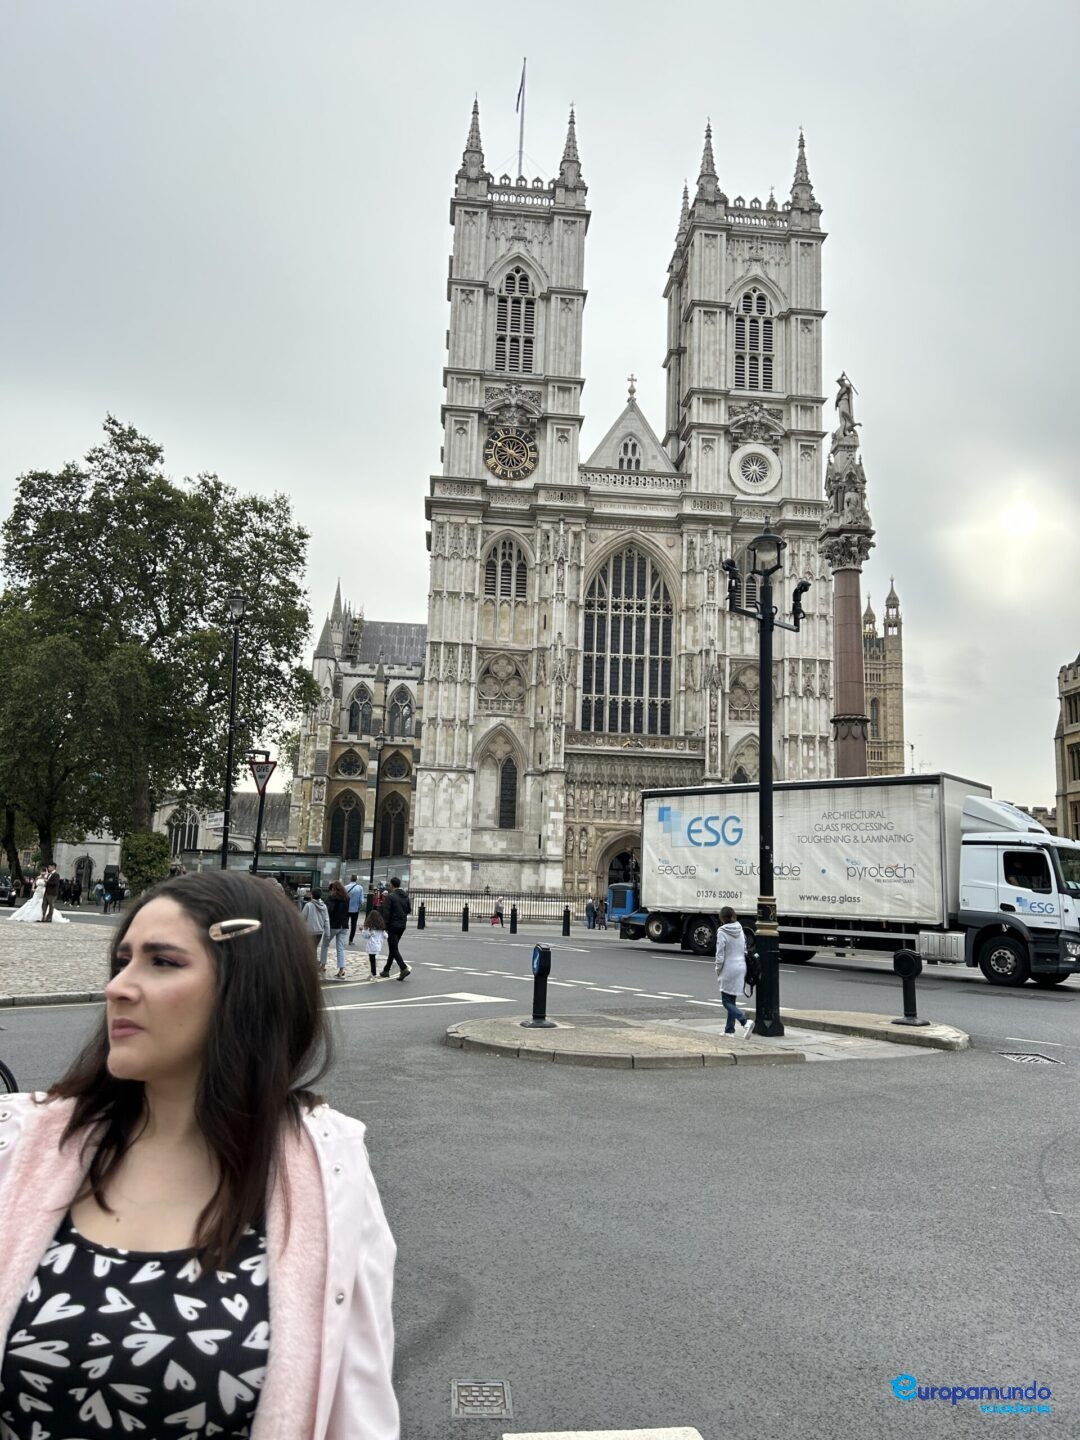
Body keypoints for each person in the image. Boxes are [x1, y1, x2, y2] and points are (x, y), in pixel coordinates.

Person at [0, 870, 399, 1436]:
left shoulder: (331, 1177)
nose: (118, 986)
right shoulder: (19, 1148)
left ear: (249, 988)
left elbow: (357, 1415)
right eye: (123, 960)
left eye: (162, 962)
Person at [715, 906, 754, 1039]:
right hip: (741, 966)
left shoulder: (722, 931)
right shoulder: (740, 929)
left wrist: (718, 970)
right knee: (732, 999)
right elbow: (744, 948)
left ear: (722, 917)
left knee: (726, 1001)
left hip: (729, 967)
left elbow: (720, 955)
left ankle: (745, 1021)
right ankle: (729, 1030)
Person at [379, 877, 411, 981]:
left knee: (393, 948)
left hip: (393, 925)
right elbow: (408, 910)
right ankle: (386, 970)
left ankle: (403, 967)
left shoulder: (391, 896)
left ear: (392, 885)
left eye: (389, 885)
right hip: (402, 925)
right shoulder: (405, 896)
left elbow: (386, 913)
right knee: (394, 947)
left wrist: (384, 926)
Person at [323, 879, 350, 980]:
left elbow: (329, 911)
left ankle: (322, 965)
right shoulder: (347, 898)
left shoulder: (332, 898)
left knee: (325, 944)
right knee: (340, 948)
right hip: (344, 925)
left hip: (334, 925)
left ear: (334, 889)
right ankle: (341, 970)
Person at [302, 886, 331, 962]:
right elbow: (326, 920)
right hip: (319, 932)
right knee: (313, 948)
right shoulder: (324, 906)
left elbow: (302, 918)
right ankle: (313, 962)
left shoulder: (308, 905)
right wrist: (328, 933)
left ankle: (311, 964)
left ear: (312, 895)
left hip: (310, 931)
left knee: (309, 949)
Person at [359, 908, 388, 980]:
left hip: (372, 946)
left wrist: (362, 930)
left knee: (372, 960)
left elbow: (366, 936)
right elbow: (386, 936)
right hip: (378, 946)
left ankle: (373, 974)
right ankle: (372, 974)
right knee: (374, 960)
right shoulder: (381, 929)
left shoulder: (370, 928)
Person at [346, 873, 366, 944]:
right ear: (356, 879)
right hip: (355, 909)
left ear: (350, 879)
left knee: (345, 923)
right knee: (353, 925)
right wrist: (359, 906)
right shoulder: (360, 888)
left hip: (346, 909)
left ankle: (342, 938)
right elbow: (361, 900)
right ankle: (351, 940)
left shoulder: (346, 887)